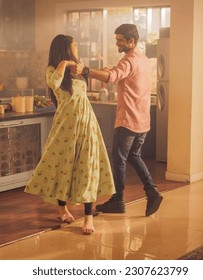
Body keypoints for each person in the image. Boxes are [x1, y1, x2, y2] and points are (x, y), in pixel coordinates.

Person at [25, 34, 115, 235]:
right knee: (63, 168)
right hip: (65, 128)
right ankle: (62, 208)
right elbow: (54, 84)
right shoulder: (53, 70)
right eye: (75, 47)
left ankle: (88, 217)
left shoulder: (78, 70)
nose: (77, 51)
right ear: (65, 50)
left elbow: (84, 92)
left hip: (87, 126)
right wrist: (64, 64)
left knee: (88, 169)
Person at [74, 24, 163, 216]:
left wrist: (86, 70)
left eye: (120, 40)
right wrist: (103, 71)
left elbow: (112, 76)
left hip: (128, 120)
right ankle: (152, 191)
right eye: (116, 40)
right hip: (142, 120)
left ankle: (119, 200)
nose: (117, 43)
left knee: (119, 160)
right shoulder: (144, 60)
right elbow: (115, 73)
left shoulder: (128, 60)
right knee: (133, 156)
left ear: (131, 41)